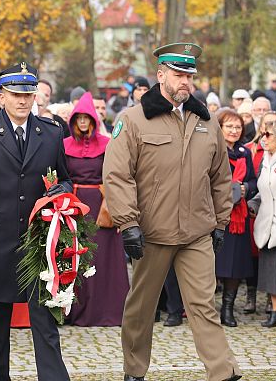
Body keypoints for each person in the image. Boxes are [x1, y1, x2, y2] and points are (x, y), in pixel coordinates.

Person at [103, 42, 242, 381]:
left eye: (189, 76)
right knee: (141, 308)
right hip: (151, 233)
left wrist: (220, 221)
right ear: (161, 75)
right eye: (179, 75)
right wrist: (128, 223)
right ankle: (134, 371)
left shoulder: (207, 123)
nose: (186, 82)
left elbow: (221, 178)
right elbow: (117, 175)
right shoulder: (133, 120)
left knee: (203, 306)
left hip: (197, 232)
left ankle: (223, 372)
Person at [0, 61, 72, 380]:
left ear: (35, 96)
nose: (22, 100)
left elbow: (65, 179)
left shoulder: (50, 133)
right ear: (2, 96)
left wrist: (61, 190)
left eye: (28, 94)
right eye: (15, 94)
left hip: (39, 242)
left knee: (45, 324)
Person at [63, 92, 129, 326]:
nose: (82, 122)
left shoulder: (107, 143)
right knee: (78, 257)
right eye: (78, 118)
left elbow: (116, 176)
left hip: (102, 204)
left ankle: (106, 310)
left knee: (102, 257)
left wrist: (118, 208)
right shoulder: (64, 145)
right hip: (75, 204)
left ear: (93, 119)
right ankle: (78, 310)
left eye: (86, 118)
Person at [215, 110, 257, 327]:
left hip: (239, 217)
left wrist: (245, 188)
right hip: (217, 216)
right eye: (229, 126)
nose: (234, 130)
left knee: (236, 267)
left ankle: (228, 309)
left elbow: (253, 180)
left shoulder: (244, 153)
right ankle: (205, 310)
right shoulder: (213, 149)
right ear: (220, 127)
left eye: (238, 127)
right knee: (213, 264)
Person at [248, 120, 276, 326]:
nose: (264, 138)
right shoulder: (266, 160)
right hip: (267, 223)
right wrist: (252, 205)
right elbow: (263, 191)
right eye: (262, 134)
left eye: (268, 135)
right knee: (271, 270)